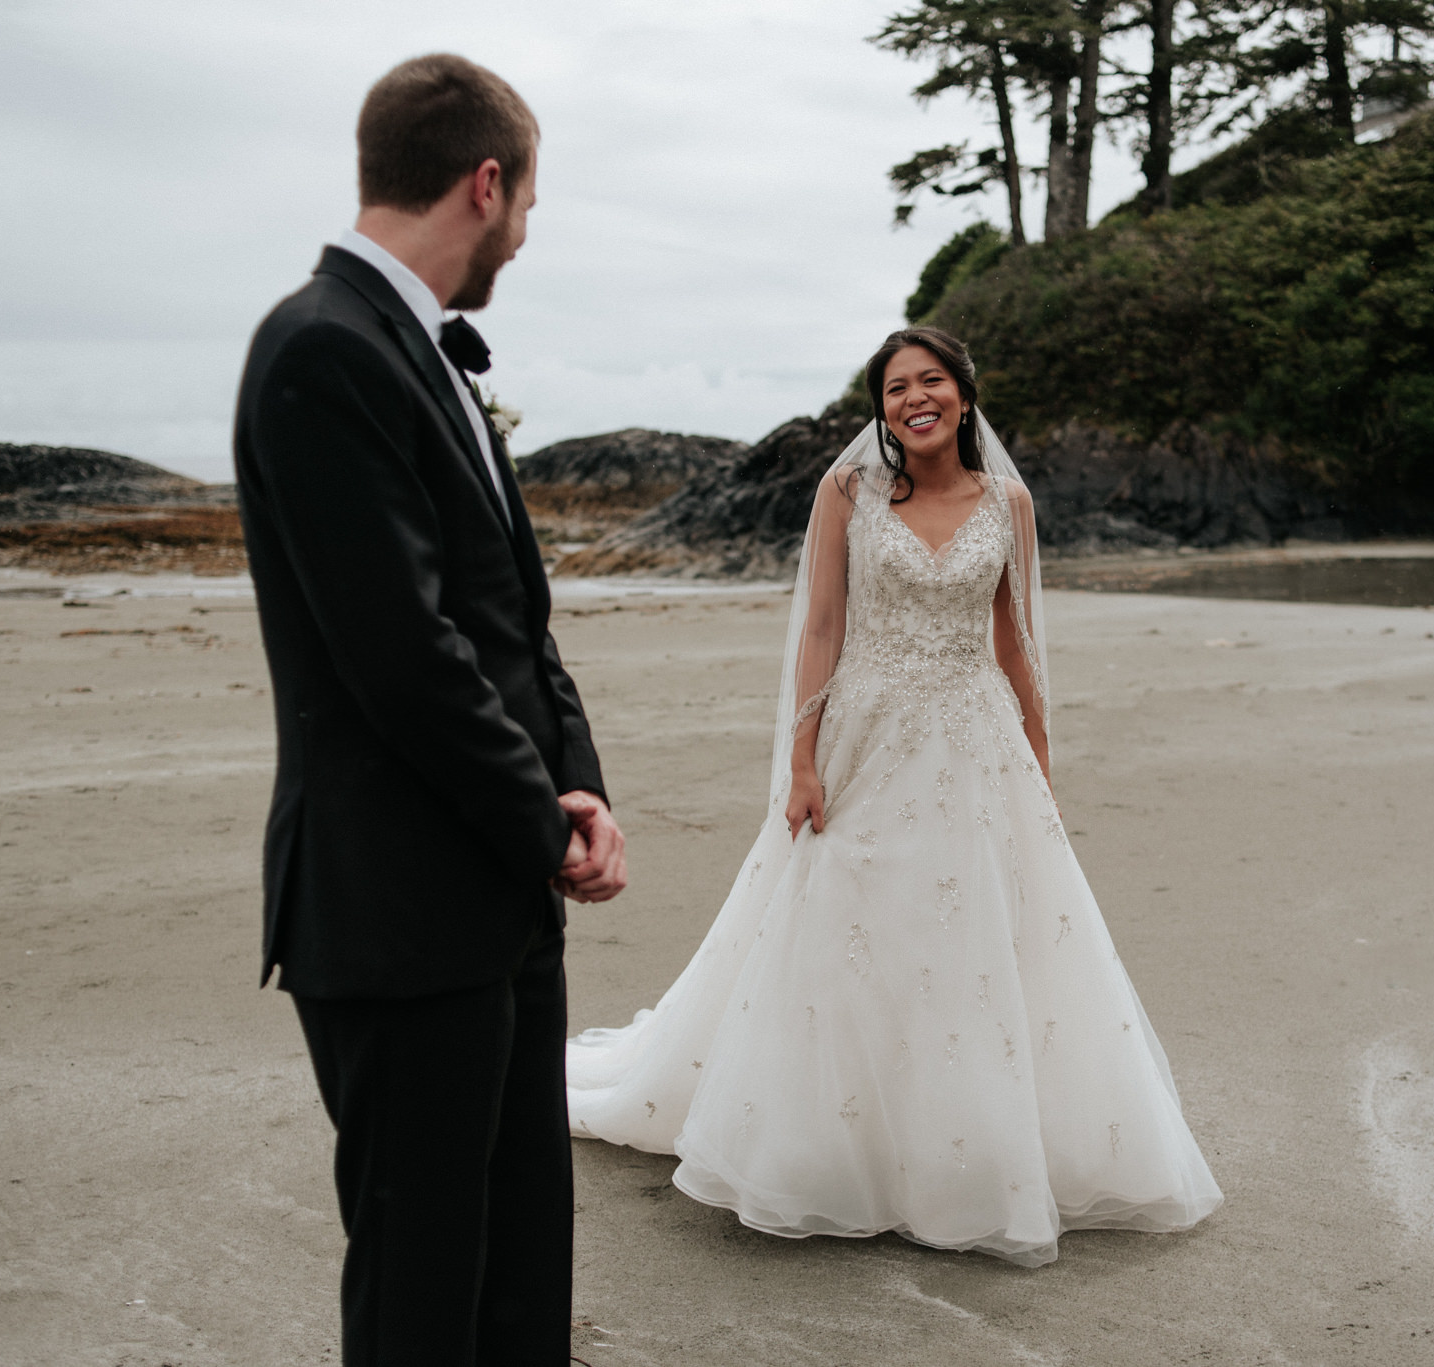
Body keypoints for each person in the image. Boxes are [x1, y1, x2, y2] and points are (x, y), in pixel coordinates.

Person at [566, 327, 1219, 1267]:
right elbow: (823, 625)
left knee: (975, 939)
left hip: (975, 738)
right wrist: (801, 757)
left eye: (932, 381)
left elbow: (1018, 642)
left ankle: (960, 1158)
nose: (915, 398)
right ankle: (833, 1151)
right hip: (865, 734)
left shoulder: (1012, 502)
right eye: (896, 387)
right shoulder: (848, 493)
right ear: (882, 408)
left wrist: (1040, 761)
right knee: (850, 923)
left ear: (963, 394)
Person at [233, 54, 626, 1366]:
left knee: (519, 1273)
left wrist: (581, 789)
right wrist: (538, 814)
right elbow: (402, 651)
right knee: (421, 1291)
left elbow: (512, 615)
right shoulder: (319, 348)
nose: (525, 231)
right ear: (487, 180)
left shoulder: (430, 353)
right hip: (396, 914)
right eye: (528, 202)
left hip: (496, 884)